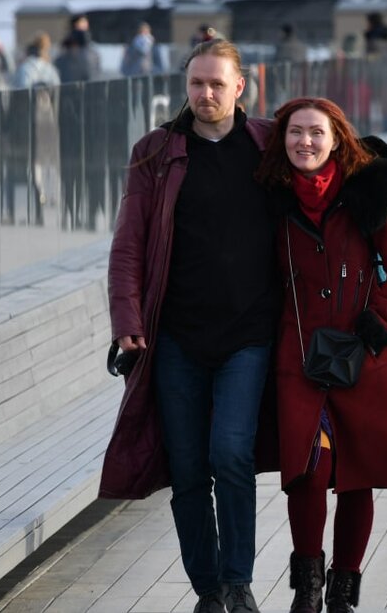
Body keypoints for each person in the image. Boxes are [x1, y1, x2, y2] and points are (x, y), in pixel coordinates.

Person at [102, 39, 279, 613]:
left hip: (248, 334)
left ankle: (239, 581)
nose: (205, 94)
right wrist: (127, 319)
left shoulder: (267, 146)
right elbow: (129, 244)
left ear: (240, 88)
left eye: (217, 84)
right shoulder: (157, 152)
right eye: (196, 83)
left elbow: (326, 178)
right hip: (174, 335)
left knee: (231, 453)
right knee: (187, 468)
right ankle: (208, 589)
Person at [254, 96, 387, 613]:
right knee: (307, 472)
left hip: (361, 358)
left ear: (336, 140)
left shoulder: (366, 197)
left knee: (357, 474)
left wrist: (377, 320)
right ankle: (307, 591)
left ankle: (343, 592)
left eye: (315, 133)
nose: (304, 142)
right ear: (281, 140)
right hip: (298, 356)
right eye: (294, 133)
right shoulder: (269, 200)